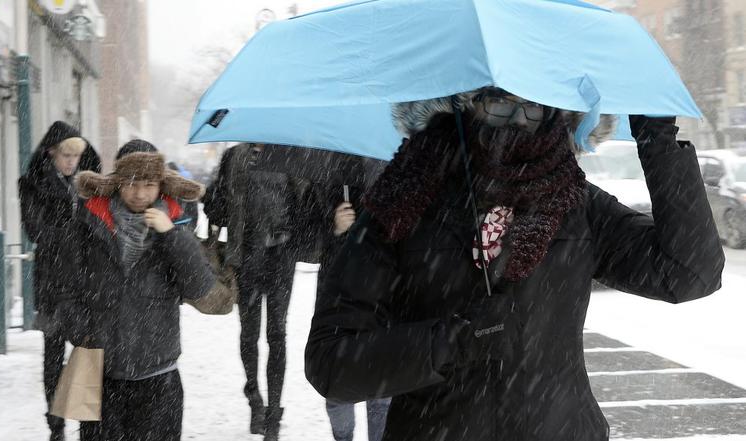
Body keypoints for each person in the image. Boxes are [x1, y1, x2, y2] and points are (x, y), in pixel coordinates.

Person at [305, 87, 725, 441]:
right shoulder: (400, 207)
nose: (519, 120)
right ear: (460, 103)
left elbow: (689, 273)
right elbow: (332, 364)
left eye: (535, 105)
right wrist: (454, 339)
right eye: (498, 101)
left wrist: (659, 144)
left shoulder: (574, 203)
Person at [72, 139, 233, 441]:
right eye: (131, 183)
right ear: (117, 182)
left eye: (149, 184)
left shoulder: (175, 223)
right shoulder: (90, 220)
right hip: (103, 373)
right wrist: (82, 330)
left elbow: (199, 286)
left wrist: (171, 235)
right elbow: (69, 285)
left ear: (161, 184)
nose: (140, 193)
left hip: (158, 374)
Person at [203, 143, 317, 440]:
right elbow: (215, 207)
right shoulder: (234, 156)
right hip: (246, 257)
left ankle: (274, 413)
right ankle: (254, 397)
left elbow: (307, 204)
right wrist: (213, 197)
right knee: (249, 335)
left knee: (277, 333)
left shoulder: (291, 154)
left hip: (281, 256)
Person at [18, 121, 101, 441]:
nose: (71, 162)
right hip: (53, 283)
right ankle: (56, 425)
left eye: (76, 156)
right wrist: (75, 223)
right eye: (66, 155)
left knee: (87, 351)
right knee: (53, 357)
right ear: (51, 152)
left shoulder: (82, 184)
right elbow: (36, 231)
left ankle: (85, 422)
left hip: (84, 282)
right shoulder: (32, 185)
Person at [312, 175, 392, 441]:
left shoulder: (394, 180)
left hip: (383, 293)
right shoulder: (329, 180)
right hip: (338, 299)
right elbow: (304, 239)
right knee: (337, 388)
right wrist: (335, 229)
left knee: (381, 391)